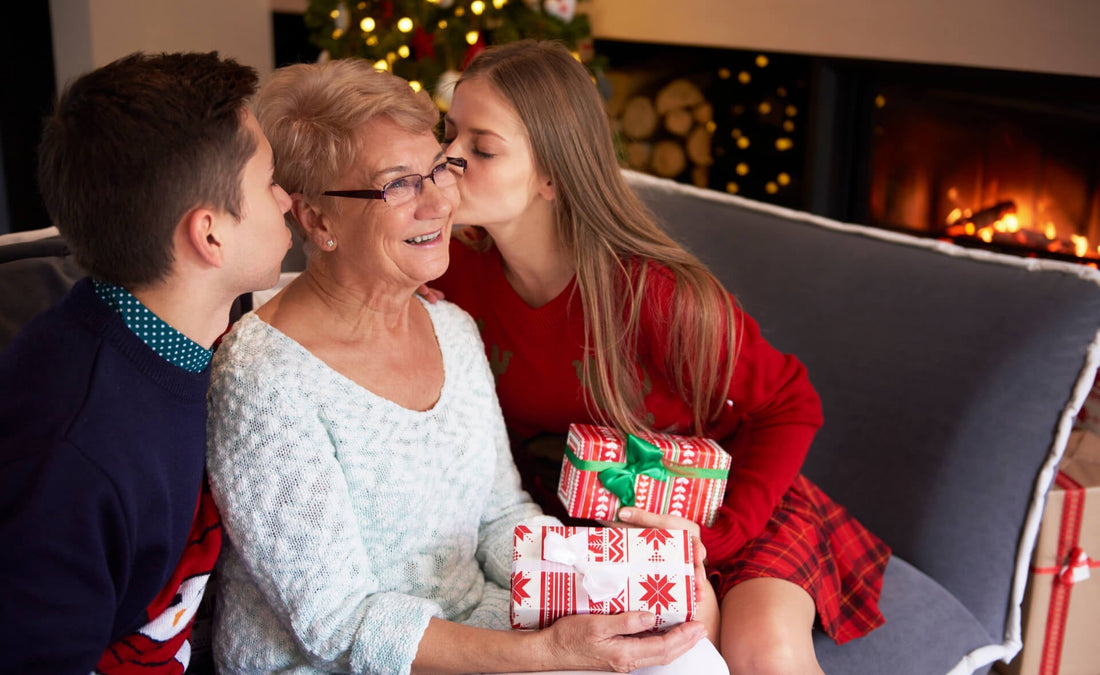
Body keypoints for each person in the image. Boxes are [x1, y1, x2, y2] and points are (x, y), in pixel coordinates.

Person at [204, 58, 722, 675]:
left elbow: (501, 516)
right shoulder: (262, 378)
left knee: (691, 663)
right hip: (337, 664)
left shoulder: (451, 328)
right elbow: (337, 623)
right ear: (317, 220)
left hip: (477, 627)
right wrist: (543, 655)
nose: (437, 202)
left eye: (436, 170)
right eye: (398, 185)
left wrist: (609, 572)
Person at [434, 40, 892, 675]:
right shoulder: (452, 273)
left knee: (764, 653)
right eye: (448, 133)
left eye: (481, 148)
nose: (447, 158)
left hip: (731, 507)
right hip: (601, 522)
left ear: (552, 176)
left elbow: (789, 403)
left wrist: (718, 536)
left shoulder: (654, 294)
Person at [0, 52, 293, 674]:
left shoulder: (172, 331)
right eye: (270, 182)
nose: (288, 200)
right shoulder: (73, 458)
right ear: (209, 235)